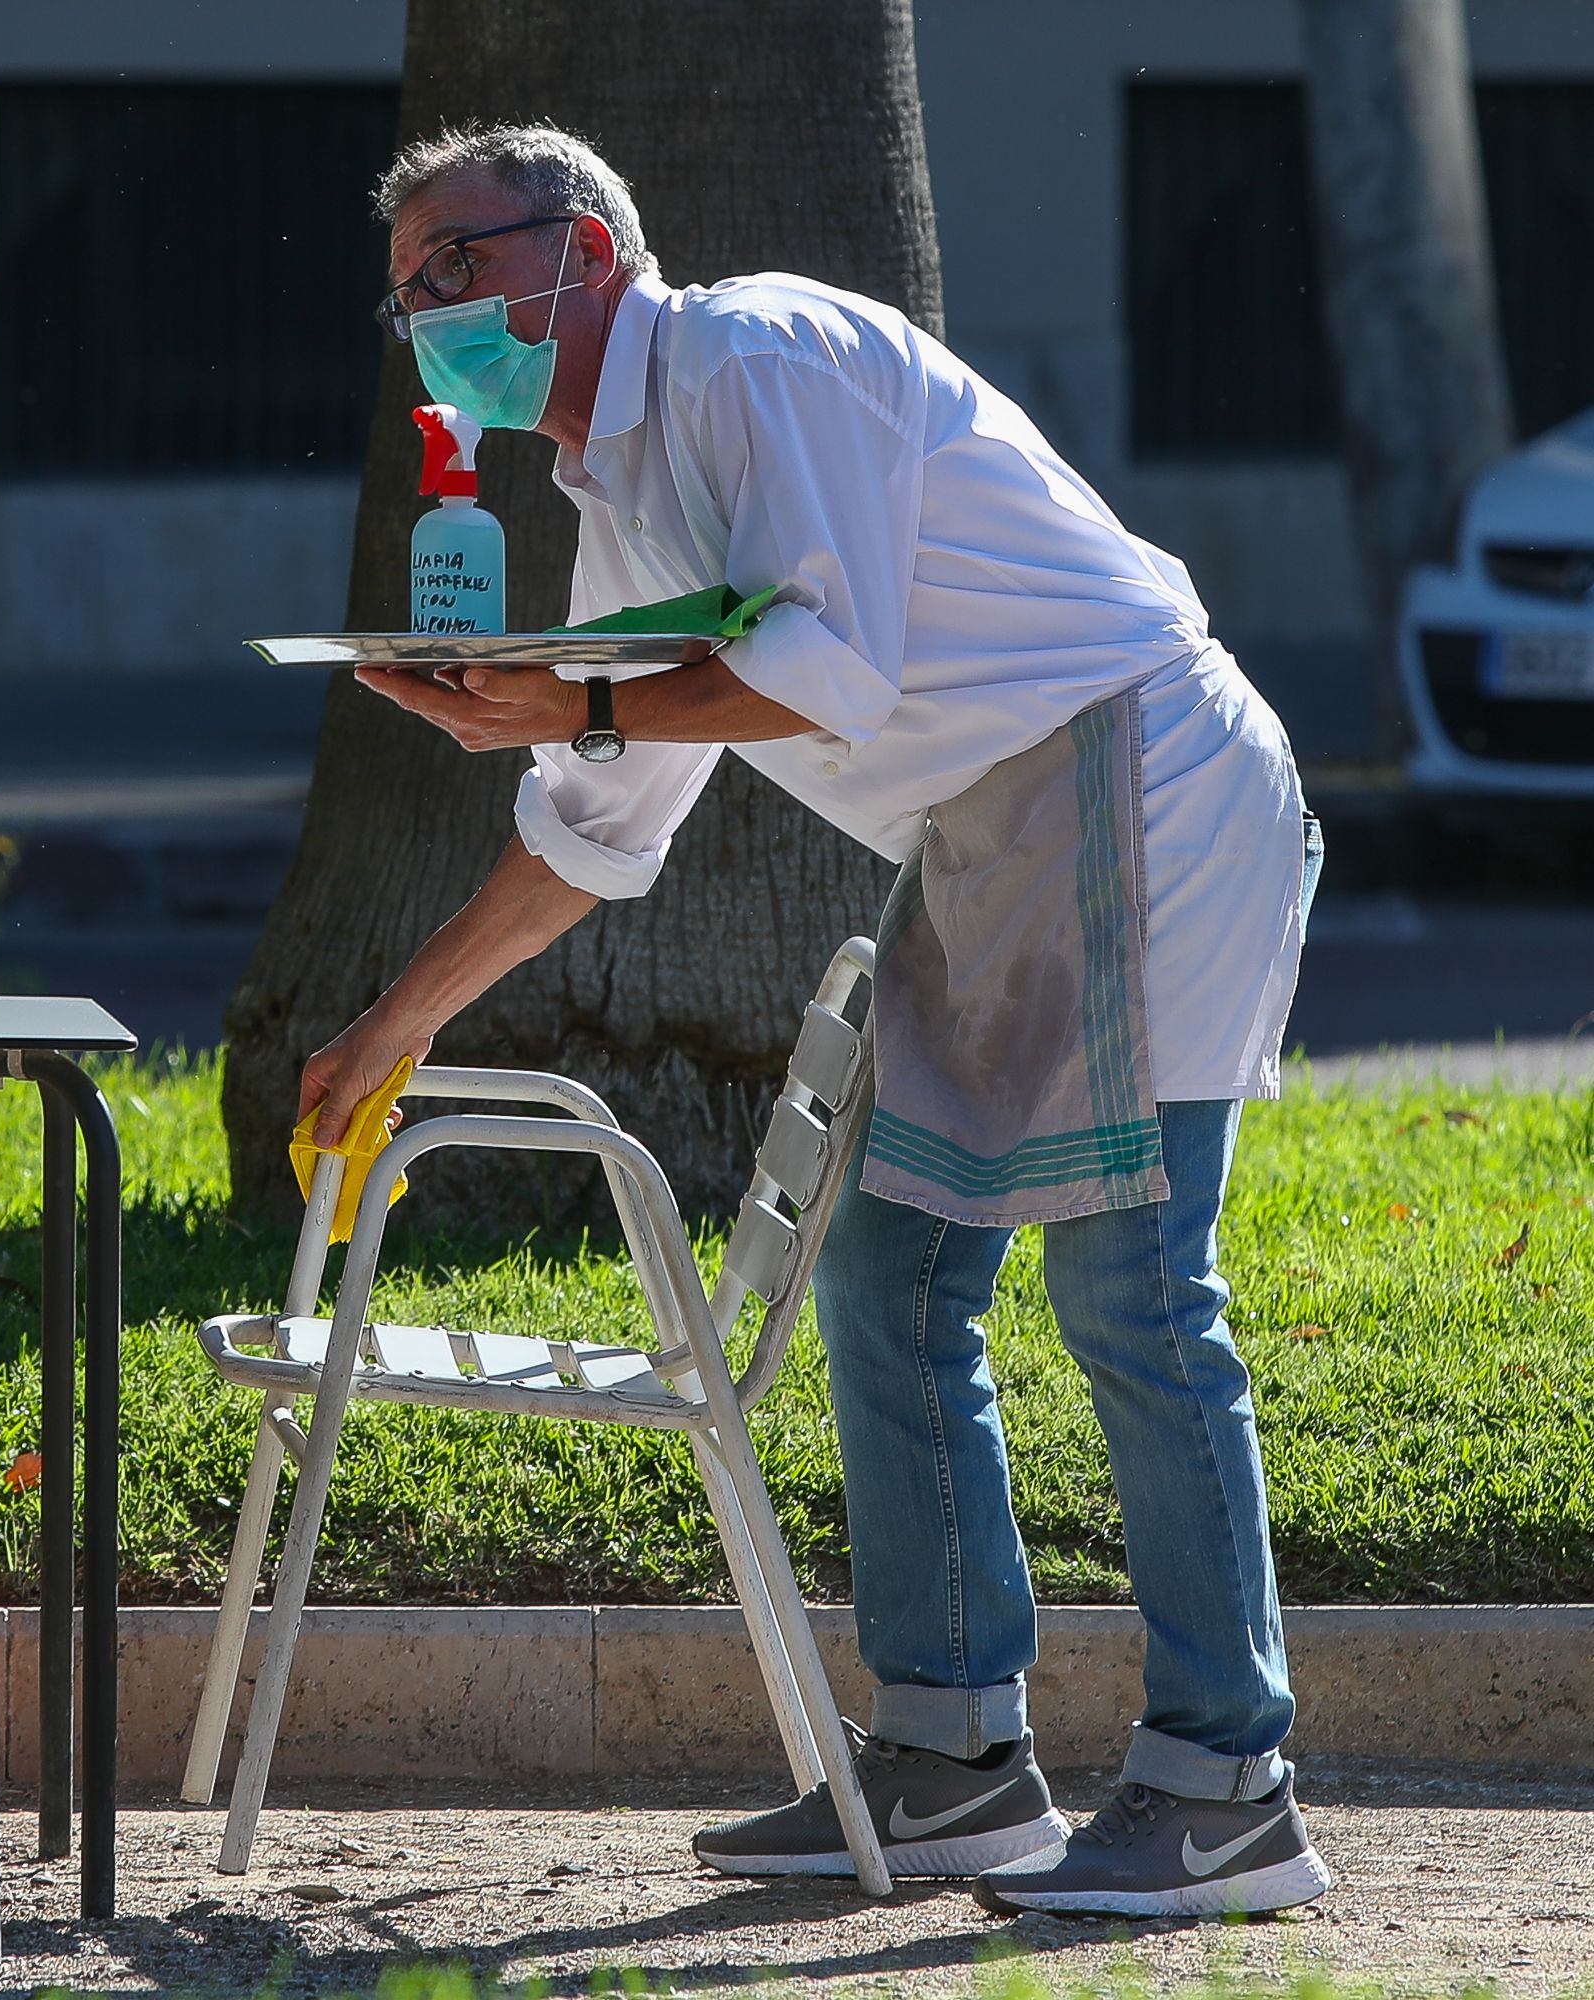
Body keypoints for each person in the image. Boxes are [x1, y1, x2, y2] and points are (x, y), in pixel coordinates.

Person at [310, 123, 1329, 1919]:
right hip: (994, 833)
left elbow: (815, 673)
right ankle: (949, 1762)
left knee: (1135, 1284)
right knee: (890, 1280)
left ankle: (1228, 1782)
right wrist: (394, 1023)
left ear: (588, 249)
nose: (434, 320)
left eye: (457, 270)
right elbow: (593, 829)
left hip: (1137, 778)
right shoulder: (618, 497)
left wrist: (578, 700)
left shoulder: (761, 353)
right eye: (410, 299)